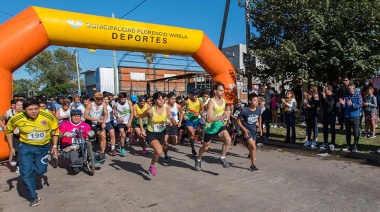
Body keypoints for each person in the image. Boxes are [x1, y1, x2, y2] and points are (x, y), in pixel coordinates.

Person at [5, 99, 59, 207]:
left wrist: (54, 146)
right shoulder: (17, 118)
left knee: (41, 170)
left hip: (43, 147)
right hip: (26, 147)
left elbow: (55, 130)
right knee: (25, 173)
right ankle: (33, 196)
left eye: (36, 109)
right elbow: (8, 130)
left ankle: (26, 166)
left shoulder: (47, 116)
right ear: (24, 110)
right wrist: (11, 147)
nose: (34, 111)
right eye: (30, 109)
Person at [195, 82, 231, 171]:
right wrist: (222, 116)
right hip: (210, 126)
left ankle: (222, 158)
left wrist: (224, 118)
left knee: (228, 140)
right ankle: (198, 159)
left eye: (223, 90)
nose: (223, 92)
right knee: (205, 147)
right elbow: (208, 119)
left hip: (218, 124)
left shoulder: (223, 101)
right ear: (215, 91)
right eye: (221, 90)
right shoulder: (211, 102)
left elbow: (220, 113)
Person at [139, 92, 176, 176]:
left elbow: (174, 123)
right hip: (151, 133)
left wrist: (172, 119)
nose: (162, 101)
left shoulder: (166, 110)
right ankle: (153, 167)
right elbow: (140, 117)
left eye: (163, 99)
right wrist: (142, 129)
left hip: (161, 133)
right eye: (159, 99)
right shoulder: (150, 111)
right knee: (159, 151)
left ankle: (152, 165)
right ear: (155, 101)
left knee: (158, 151)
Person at [235, 93, 261, 172]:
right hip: (247, 130)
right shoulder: (245, 110)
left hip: (254, 130)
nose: (256, 102)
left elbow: (260, 116)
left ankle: (238, 139)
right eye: (254, 100)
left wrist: (260, 127)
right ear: (250, 101)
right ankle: (253, 166)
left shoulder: (258, 109)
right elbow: (237, 120)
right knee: (253, 147)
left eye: (257, 100)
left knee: (251, 148)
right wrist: (243, 129)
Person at [84, 92, 108, 161]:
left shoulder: (103, 104)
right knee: (91, 137)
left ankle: (102, 153)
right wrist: (96, 120)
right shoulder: (90, 105)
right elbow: (86, 116)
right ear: (94, 98)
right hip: (90, 122)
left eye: (101, 99)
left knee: (103, 136)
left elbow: (106, 114)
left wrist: (104, 121)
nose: (100, 101)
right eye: (98, 99)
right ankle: (90, 151)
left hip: (99, 122)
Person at [339, 83, 363, 152]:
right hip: (347, 116)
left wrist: (352, 104)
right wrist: (342, 104)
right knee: (347, 132)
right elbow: (344, 106)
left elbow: (359, 105)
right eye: (347, 88)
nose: (348, 90)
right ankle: (348, 144)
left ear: (353, 88)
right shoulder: (346, 96)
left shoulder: (358, 96)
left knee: (355, 132)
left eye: (349, 88)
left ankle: (355, 145)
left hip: (355, 116)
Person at [182, 88, 204, 156]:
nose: (195, 96)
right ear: (190, 95)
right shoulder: (187, 102)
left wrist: (199, 113)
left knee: (192, 134)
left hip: (195, 119)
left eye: (196, 94)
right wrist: (183, 114)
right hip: (188, 119)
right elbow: (180, 107)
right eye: (194, 94)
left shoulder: (199, 101)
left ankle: (185, 135)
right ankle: (193, 148)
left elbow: (202, 109)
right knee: (191, 132)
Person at [163, 92, 183, 163]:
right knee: (165, 142)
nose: (173, 100)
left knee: (174, 143)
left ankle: (168, 142)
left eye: (174, 99)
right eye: (172, 99)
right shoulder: (164, 106)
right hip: (166, 125)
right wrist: (166, 122)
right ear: (168, 99)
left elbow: (181, 113)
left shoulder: (177, 106)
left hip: (174, 125)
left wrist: (180, 122)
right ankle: (165, 155)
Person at [320, 85, 337, 150]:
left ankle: (332, 142)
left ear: (330, 90)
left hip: (332, 115)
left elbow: (330, 105)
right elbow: (322, 104)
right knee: (325, 129)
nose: (325, 91)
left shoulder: (333, 96)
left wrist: (325, 98)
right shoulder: (325, 97)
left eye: (326, 90)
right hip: (325, 115)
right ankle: (325, 142)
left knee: (332, 129)